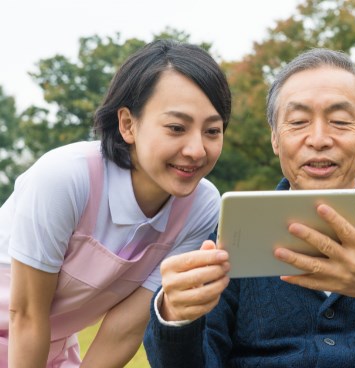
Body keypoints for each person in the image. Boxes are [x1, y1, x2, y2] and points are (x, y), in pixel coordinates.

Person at [143, 48, 355, 368]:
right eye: (299, 121)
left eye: (340, 121)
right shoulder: (231, 235)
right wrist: (175, 316)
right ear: (276, 138)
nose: (319, 138)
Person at [0, 38, 231, 367]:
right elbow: (26, 315)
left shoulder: (201, 205)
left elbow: (125, 328)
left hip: (48, 351)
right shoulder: (66, 177)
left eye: (212, 131)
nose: (196, 150)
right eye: (176, 128)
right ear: (128, 124)